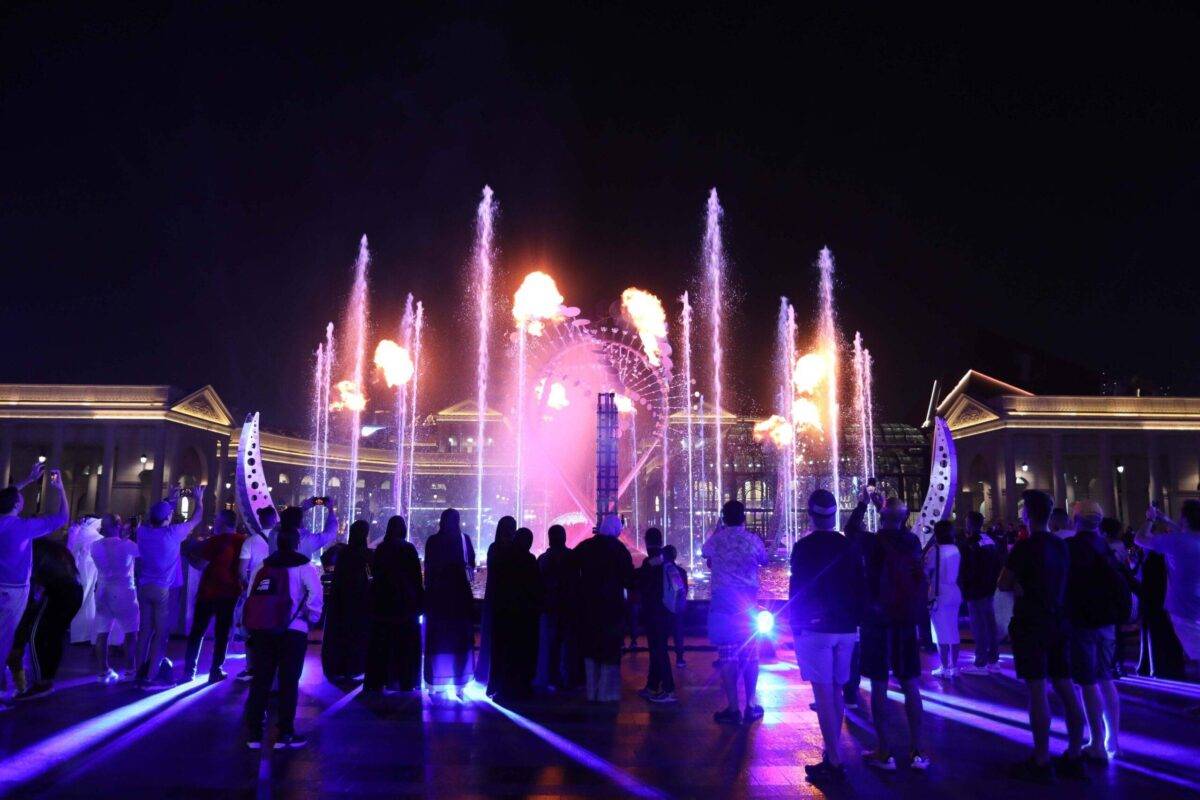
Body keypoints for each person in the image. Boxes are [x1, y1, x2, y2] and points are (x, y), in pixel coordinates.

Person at [999, 489, 1086, 783]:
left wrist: (1022, 586)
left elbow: (1003, 583)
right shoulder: (1062, 546)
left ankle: (1042, 759)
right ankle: (1075, 754)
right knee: (1066, 687)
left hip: (1032, 622)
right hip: (1059, 621)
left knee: (1037, 691)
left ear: (1027, 514)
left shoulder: (1024, 547)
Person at [789, 489, 866, 783]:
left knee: (823, 694)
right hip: (846, 628)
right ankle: (830, 753)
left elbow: (798, 589)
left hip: (816, 628)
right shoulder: (849, 547)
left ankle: (834, 758)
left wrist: (795, 624)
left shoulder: (803, 547)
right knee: (836, 690)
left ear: (810, 515)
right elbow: (861, 586)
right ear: (834, 515)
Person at [858, 496, 929, 770]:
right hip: (905, 621)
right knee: (910, 683)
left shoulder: (873, 542)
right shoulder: (912, 542)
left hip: (877, 621)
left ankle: (884, 751)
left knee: (878, 684)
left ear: (882, 515)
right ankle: (917, 752)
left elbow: (853, 530)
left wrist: (866, 504)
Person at [243, 509, 324, 749]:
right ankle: (285, 733)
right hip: (293, 630)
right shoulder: (304, 566)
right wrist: (312, 615)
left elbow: (251, 595)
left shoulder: (264, 566)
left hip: (264, 629)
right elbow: (316, 595)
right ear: (298, 543)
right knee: (289, 681)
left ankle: (254, 733)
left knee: (261, 679)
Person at [0, 463, 68, 710]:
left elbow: (5, 495)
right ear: (17, 505)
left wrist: (27, 480)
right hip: (14, 590)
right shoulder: (22, 527)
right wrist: (60, 489)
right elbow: (62, 518)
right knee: (4, 639)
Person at [1064, 500, 1123, 761]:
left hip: (1082, 622)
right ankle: (1114, 740)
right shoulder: (1106, 547)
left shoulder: (1071, 548)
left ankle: (1096, 741)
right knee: (1106, 678)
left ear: (1075, 520)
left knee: (1087, 683)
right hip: (1107, 622)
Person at [702, 500, 769, 725]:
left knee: (727, 655)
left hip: (723, 603)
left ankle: (733, 708)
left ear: (724, 517)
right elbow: (764, 560)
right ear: (743, 517)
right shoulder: (753, 540)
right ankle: (750, 705)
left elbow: (705, 553)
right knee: (750, 654)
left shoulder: (717, 540)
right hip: (747, 604)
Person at [134, 483, 207, 689]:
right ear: (167, 519)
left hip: (144, 587)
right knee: (161, 634)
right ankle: (151, 677)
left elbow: (160, 515)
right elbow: (197, 518)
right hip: (162, 590)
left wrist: (170, 500)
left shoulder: (142, 532)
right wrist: (199, 499)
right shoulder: (173, 533)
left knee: (145, 631)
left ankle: (139, 673)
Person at [8, 533, 84, 700]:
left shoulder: (31, 551)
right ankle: (47, 680)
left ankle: (41, 683)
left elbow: (32, 590)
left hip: (61, 593)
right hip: (75, 592)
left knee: (36, 635)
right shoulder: (49, 547)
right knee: (54, 636)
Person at [181, 508, 247, 683]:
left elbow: (201, 564)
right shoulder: (243, 541)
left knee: (198, 631)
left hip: (209, 592)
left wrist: (186, 553)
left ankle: (189, 671)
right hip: (231, 592)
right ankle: (216, 670)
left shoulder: (215, 541)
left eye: (217, 520)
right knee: (223, 632)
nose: (215, 523)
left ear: (223, 523)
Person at [575, 514, 635, 702]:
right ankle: (607, 693)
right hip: (612, 609)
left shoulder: (586, 547)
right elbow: (629, 578)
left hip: (588, 607)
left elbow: (570, 565)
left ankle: (591, 691)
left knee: (591, 649)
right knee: (610, 651)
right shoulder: (619, 550)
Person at [1138, 500, 1200, 680]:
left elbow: (1140, 539)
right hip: (1194, 605)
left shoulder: (1175, 542)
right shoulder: (1186, 539)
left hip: (1183, 607)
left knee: (1195, 657)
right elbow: (1186, 534)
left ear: (1185, 519)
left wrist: (1150, 519)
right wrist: (1165, 520)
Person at [365, 516, 423, 692]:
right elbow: (416, 577)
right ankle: (406, 679)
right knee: (405, 643)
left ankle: (380, 679)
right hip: (405, 604)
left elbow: (375, 574)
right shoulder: (408, 549)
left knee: (383, 643)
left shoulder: (381, 548)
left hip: (384, 602)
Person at [423, 508, 476, 695]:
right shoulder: (464, 539)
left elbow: (428, 568)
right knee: (459, 639)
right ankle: (459, 681)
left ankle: (436, 682)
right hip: (459, 595)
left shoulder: (433, 540)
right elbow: (472, 563)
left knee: (438, 639)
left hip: (438, 597)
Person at [487, 527, 542, 702]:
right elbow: (535, 587)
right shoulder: (529, 559)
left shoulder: (503, 557)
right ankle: (521, 687)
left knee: (505, 652)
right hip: (524, 615)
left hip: (505, 613)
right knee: (523, 654)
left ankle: (502, 687)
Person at [91, 513, 140, 681]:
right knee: (131, 633)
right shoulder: (127, 545)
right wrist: (129, 535)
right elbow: (143, 556)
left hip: (103, 591)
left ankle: (102, 671)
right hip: (124, 591)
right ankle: (129, 670)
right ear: (118, 525)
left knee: (102, 633)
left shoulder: (94, 546)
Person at [322, 519, 372, 683]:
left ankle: (339, 668)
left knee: (341, 634)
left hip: (340, 601)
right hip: (359, 602)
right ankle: (355, 668)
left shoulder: (343, 552)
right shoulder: (365, 554)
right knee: (356, 635)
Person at [957, 511, 1003, 675]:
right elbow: (999, 562)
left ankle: (981, 662)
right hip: (989, 588)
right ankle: (993, 660)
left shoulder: (969, 544)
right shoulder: (990, 540)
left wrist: (964, 587)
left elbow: (966, 568)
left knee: (979, 626)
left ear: (969, 524)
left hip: (975, 590)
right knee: (990, 625)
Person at [535, 524, 579, 690]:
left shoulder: (543, 559)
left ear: (549, 538)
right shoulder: (572, 557)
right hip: (568, 608)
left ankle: (548, 677)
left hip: (549, 607)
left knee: (548, 645)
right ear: (564, 537)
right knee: (566, 646)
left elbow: (538, 583)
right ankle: (566, 678)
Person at [636, 528, 677, 703]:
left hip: (654, 612)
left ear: (646, 541)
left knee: (659, 650)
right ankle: (652, 686)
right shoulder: (665, 559)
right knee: (656, 649)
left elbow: (641, 582)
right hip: (666, 611)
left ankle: (668, 690)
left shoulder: (650, 561)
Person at [235, 507, 274, 682]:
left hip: (256, 594)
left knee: (252, 630)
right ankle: (272, 669)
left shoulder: (250, 541)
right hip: (277, 593)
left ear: (260, 520)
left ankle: (251, 668)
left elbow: (242, 571)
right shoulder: (281, 539)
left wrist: (246, 587)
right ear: (275, 519)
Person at [478, 516, 516, 686]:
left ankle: (489, 673)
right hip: (509, 600)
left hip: (495, 598)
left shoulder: (494, 548)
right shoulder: (514, 550)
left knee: (493, 638)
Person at [926, 520, 962, 677]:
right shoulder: (955, 549)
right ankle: (954, 666)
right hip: (954, 590)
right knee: (953, 629)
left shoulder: (935, 550)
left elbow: (926, 570)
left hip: (939, 592)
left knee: (940, 631)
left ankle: (945, 667)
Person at [66, 515, 103, 644]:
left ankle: (85, 633)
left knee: (87, 601)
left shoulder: (82, 533)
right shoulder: (92, 535)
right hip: (86, 572)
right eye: (99, 525)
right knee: (84, 600)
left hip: (83, 571)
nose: (100, 527)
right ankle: (81, 635)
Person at [263, 499, 338, 559]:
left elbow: (286, 519)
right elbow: (331, 532)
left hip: (277, 577)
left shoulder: (273, 534)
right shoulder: (307, 540)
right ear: (300, 522)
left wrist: (302, 508)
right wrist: (330, 509)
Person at [662, 544, 688, 668]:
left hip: (668, 607)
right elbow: (684, 590)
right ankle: (680, 659)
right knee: (678, 634)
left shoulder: (663, 570)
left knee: (664, 634)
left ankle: (665, 659)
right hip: (678, 607)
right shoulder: (682, 571)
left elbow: (679, 588)